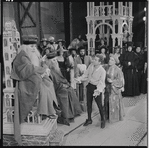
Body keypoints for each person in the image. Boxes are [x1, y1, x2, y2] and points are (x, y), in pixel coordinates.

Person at [11, 35, 59, 145]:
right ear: (25, 47)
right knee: (43, 89)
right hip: (25, 81)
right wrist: (42, 71)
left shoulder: (32, 54)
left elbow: (36, 66)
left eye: (34, 46)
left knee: (49, 83)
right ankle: (45, 112)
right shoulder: (22, 56)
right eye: (31, 46)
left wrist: (44, 69)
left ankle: (49, 110)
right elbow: (28, 70)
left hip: (33, 77)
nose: (33, 48)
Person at [45, 51, 82, 125]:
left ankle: (72, 114)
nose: (55, 62)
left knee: (70, 89)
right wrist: (63, 85)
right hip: (55, 89)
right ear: (49, 61)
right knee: (65, 92)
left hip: (60, 85)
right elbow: (53, 83)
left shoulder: (56, 69)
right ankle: (65, 116)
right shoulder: (49, 70)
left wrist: (66, 83)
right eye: (53, 60)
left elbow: (61, 79)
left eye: (56, 60)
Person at [75, 54, 106, 128]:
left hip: (97, 88)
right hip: (89, 86)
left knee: (99, 105)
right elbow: (86, 74)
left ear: (99, 62)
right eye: (94, 59)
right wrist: (79, 78)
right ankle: (89, 119)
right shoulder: (91, 66)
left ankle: (103, 120)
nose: (93, 60)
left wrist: (98, 90)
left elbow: (101, 82)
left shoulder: (102, 71)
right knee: (89, 104)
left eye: (95, 60)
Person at [105, 54, 125, 123]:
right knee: (107, 102)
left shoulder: (118, 69)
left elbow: (121, 81)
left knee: (114, 103)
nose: (110, 61)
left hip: (114, 89)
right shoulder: (107, 67)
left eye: (112, 60)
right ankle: (108, 116)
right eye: (110, 59)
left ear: (115, 62)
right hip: (108, 88)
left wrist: (112, 81)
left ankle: (114, 118)